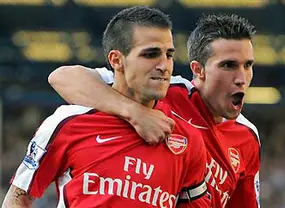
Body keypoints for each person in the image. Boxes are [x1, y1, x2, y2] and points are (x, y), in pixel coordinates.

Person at [2, 6, 209, 208]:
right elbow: (18, 198)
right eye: (150, 54)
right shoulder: (68, 123)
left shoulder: (187, 138)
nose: (164, 65)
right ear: (116, 60)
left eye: (169, 55)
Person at [49, 14, 260, 208]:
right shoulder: (164, 90)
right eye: (229, 65)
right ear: (198, 70)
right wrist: (135, 112)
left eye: (248, 65)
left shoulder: (248, 138)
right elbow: (63, 77)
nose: (241, 78)